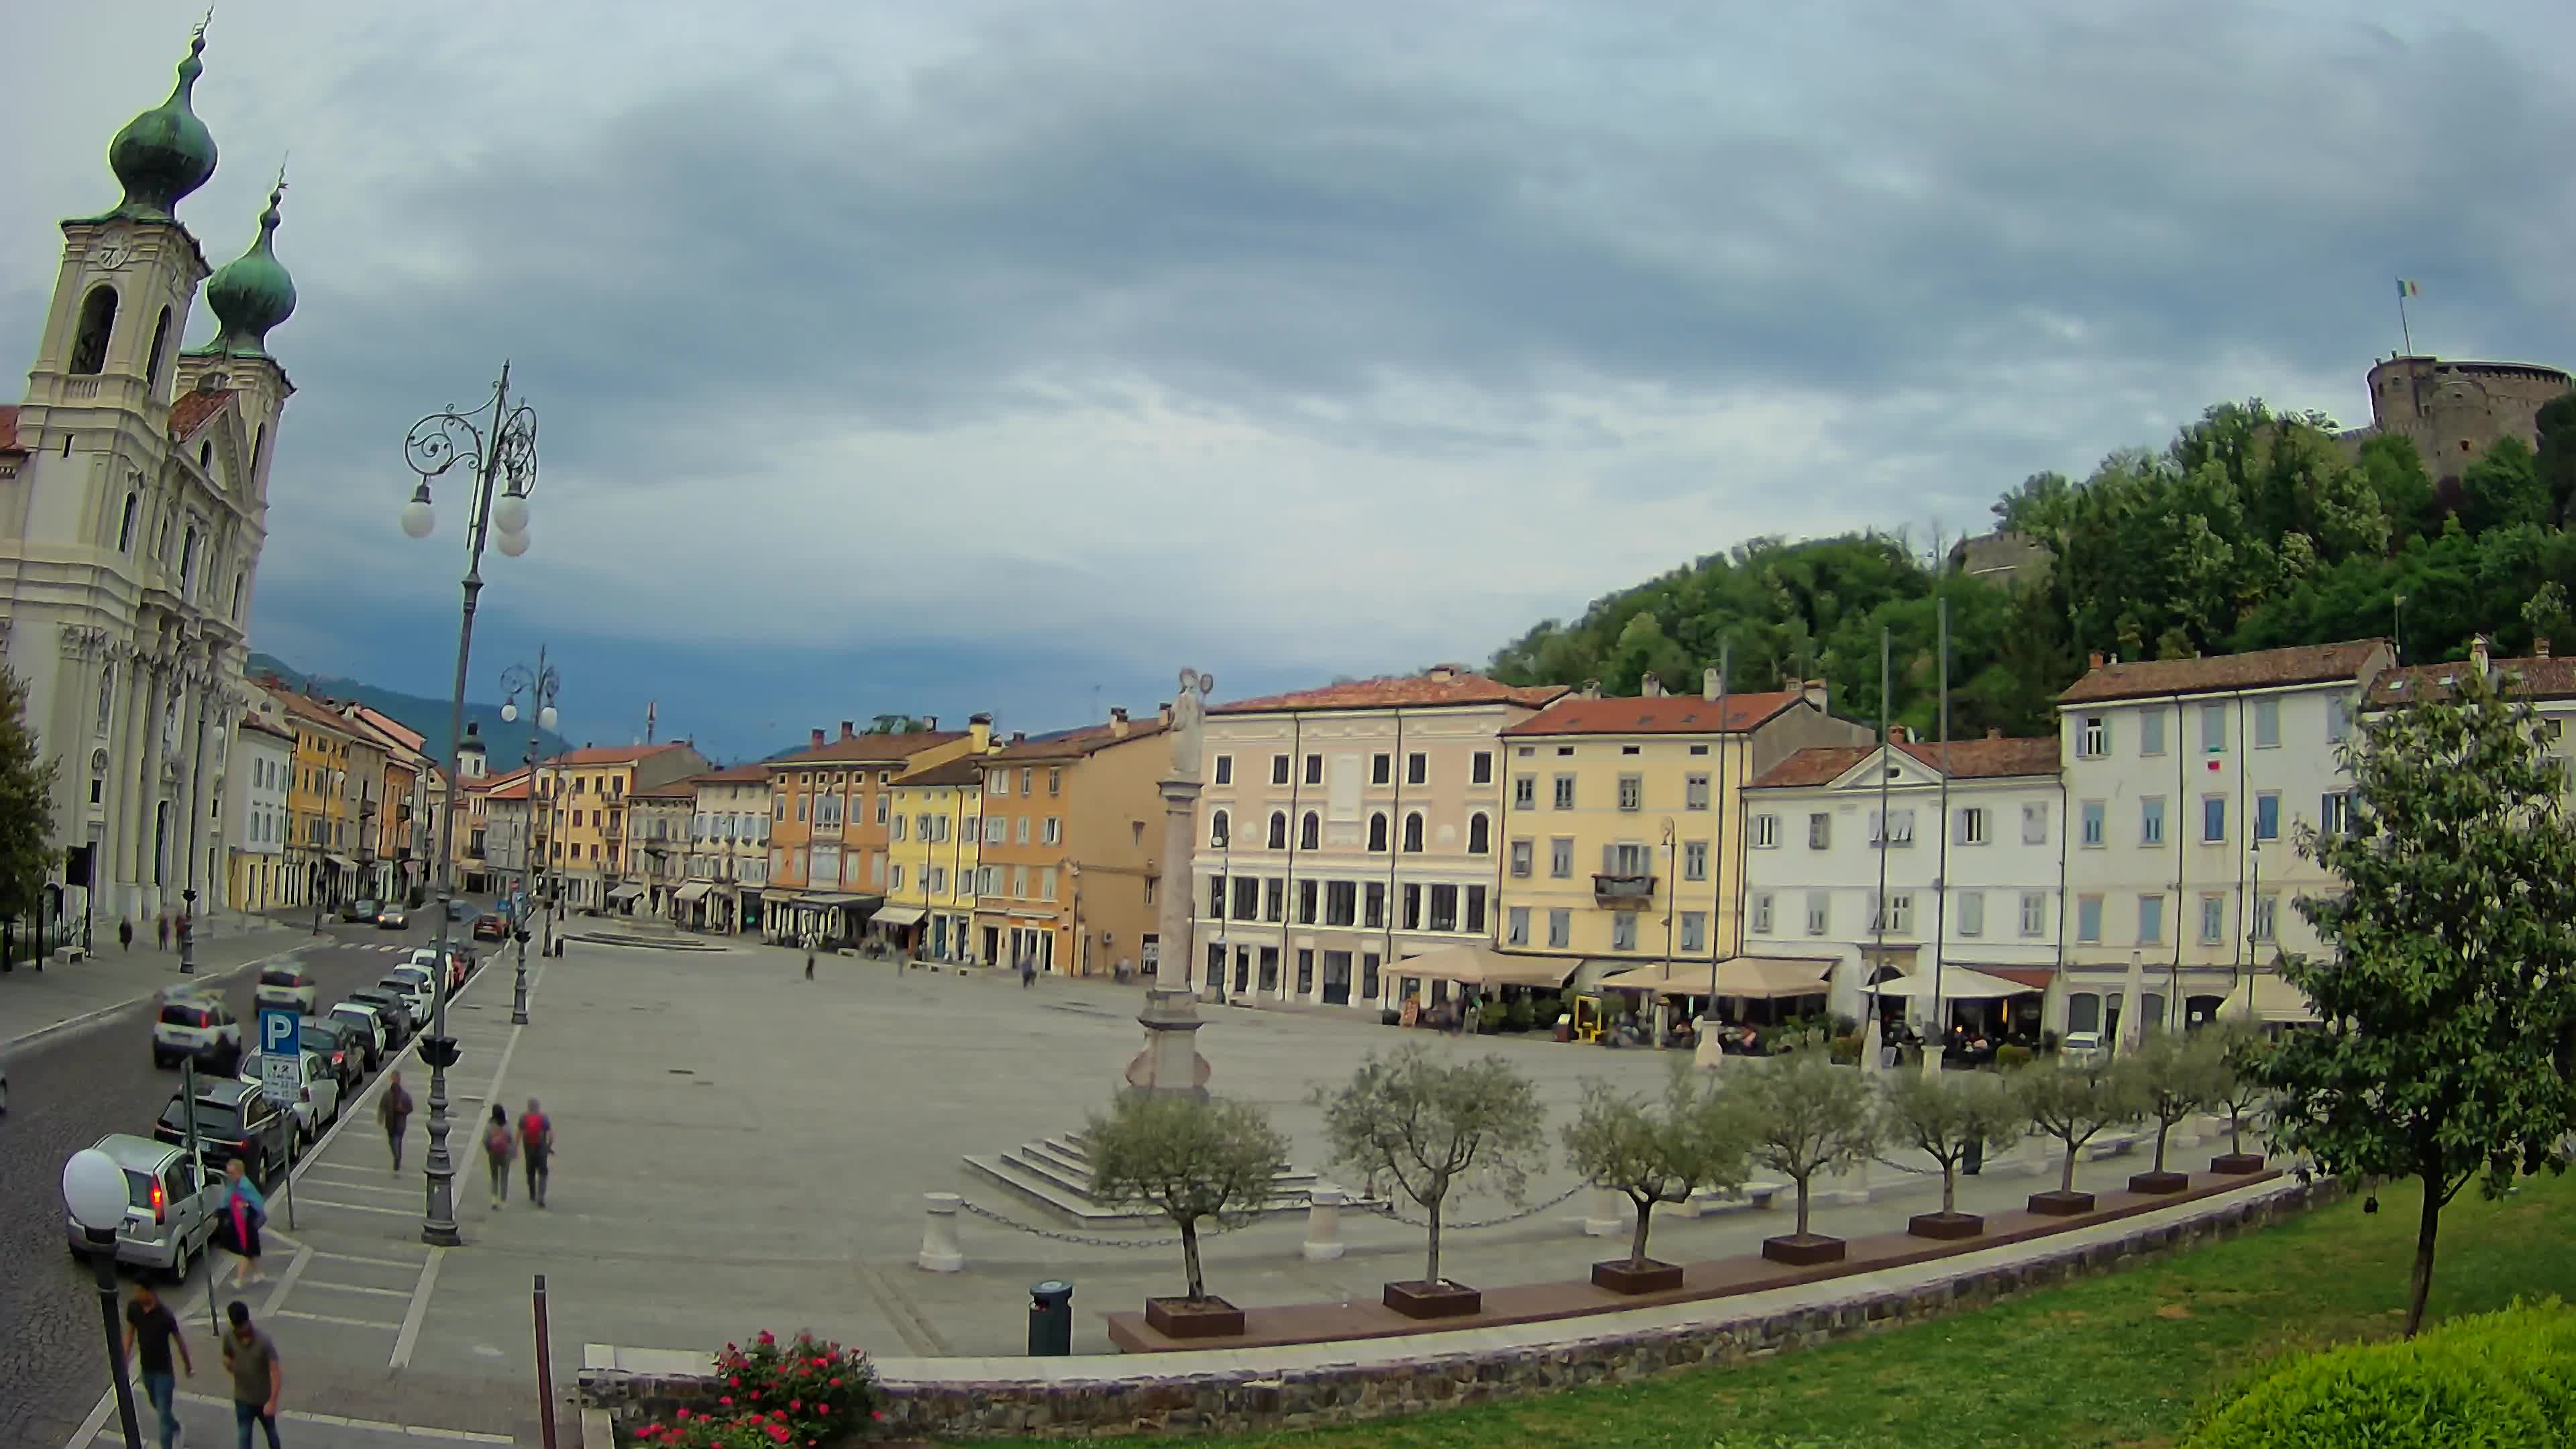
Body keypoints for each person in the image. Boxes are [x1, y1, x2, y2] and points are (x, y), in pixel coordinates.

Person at [126, 1282, 194, 1449]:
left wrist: (188, 1365)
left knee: (163, 1415)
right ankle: (176, 1426)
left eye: (139, 1291)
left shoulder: (165, 1315)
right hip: (147, 1370)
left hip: (164, 1372)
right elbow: (130, 1333)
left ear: (149, 1292)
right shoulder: (134, 1308)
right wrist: (124, 1358)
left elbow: (180, 1342)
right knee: (157, 1406)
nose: (135, 1295)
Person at [220, 1301, 282, 1449]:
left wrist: (273, 1401)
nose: (240, 1330)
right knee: (244, 1439)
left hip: (264, 1400)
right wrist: (227, 1363)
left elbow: (275, 1372)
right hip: (242, 1398)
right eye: (237, 1327)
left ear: (248, 1321)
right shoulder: (229, 1336)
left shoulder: (264, 1341)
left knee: (272, 1435)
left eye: (242, 1326)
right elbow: (226, 1355)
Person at [223, 1159, 266, 1289]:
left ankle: (239, 1281)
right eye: (228, 1172)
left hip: (252, 1220)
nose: (229, 1175)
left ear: (239, 1172)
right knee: (249, 1250)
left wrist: (245, 1205)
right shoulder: (235, 1184)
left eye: (231, 1173)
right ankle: (258, 1274)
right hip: (246, 1221)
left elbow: (258, 1204)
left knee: (245, 1250)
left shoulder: (244, 1186)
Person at [518, 1097, 552, 1209]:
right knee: (543, 1173)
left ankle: (532, 1193)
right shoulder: (544, 1118)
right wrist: (549, 1146)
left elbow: (519, 1133)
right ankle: (541, 1196)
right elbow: (550, 1134)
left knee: (530, 1172)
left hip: (529, 1149)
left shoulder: (523, 1117)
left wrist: (515, 1147)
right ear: (538, 1107)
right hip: (541, 1148)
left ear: (528, 1107)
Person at [380, 1071, 414, 1171]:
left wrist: (402, 1110)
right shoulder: (387, 1094)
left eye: (396, 1078)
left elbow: (410, 1108)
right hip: (390, 1124)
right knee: (393, 1143)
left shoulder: (404, 1095)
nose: (394, 1080)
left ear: (399, 1079)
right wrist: (380, 1117)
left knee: (396, 1141)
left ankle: (397, 1159)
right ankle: (397, 1156)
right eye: (393, 1078)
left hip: (400, 1124)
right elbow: (382, 1106)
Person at [482, 1104, 515, 1208]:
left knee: (494, 1177)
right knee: (504, 1177)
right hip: (505, 1154)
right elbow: (511, 1139)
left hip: (493, 1153)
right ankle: (503, 1201)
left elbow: (485, 1140)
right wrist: (512, 1152)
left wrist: (489, 1149)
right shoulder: (506, 1125)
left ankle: (494, 1200)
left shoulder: (490, 1125)